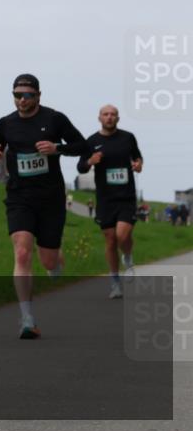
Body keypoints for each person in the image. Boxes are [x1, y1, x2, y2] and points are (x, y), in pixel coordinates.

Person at [0, 74, 87, 339]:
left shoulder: (54, 119)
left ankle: (55, 261)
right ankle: (27, 318)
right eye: (17, 95)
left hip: (51, 198)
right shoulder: (6, 123)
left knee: (48, 259)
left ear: (38, 96)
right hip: (20, 197)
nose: (21, 100)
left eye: (27, 95)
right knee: (21, 252)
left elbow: (82, 145)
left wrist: (57, 148)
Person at [76, 105, 143, 299]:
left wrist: (138, 165)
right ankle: (115, 283)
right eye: (106, 114)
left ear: (118, 118)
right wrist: (90, 161)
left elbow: (137, 158)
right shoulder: (91, 142)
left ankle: (128, 257)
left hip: (126, 197)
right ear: (99, 118)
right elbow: (81, 167)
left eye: (113, 114)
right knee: (111, 240)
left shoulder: (127, 138)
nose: (109, 117)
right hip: (105, 200)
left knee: (123, 236)